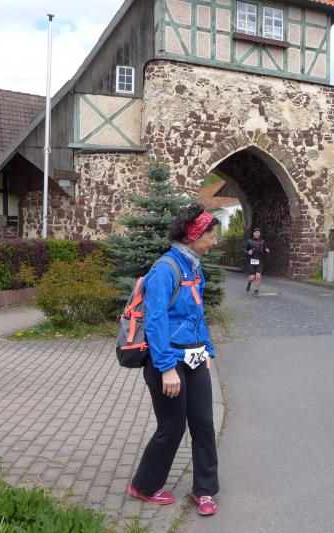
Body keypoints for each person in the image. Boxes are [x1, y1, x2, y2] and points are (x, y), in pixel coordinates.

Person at [127, 204, 220, 516]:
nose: (215, 241)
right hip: (167, 360)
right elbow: (155, 323)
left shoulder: (194, 268)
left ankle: (204, 491)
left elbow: (197, 315)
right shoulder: (165, 270)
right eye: (211, 235)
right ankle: (144, 486)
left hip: (194, 357)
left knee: (204, 424)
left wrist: (207, 350)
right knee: (172, 426)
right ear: (193, 236)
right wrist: (167, 368)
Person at [243, 227, 269, 297]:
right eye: (256, 232)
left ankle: (256, 291)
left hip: (259, 260)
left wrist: (266, 250)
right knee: (251, 277)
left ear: (260, 234)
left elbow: (265, 248)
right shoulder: (249, 241)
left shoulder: (263, 241)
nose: (257, 234)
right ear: (253, 233)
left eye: (258, 233)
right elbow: (244, 250)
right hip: (251, 260)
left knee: (258, 275)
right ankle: (249, 284)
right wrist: (248, 252)